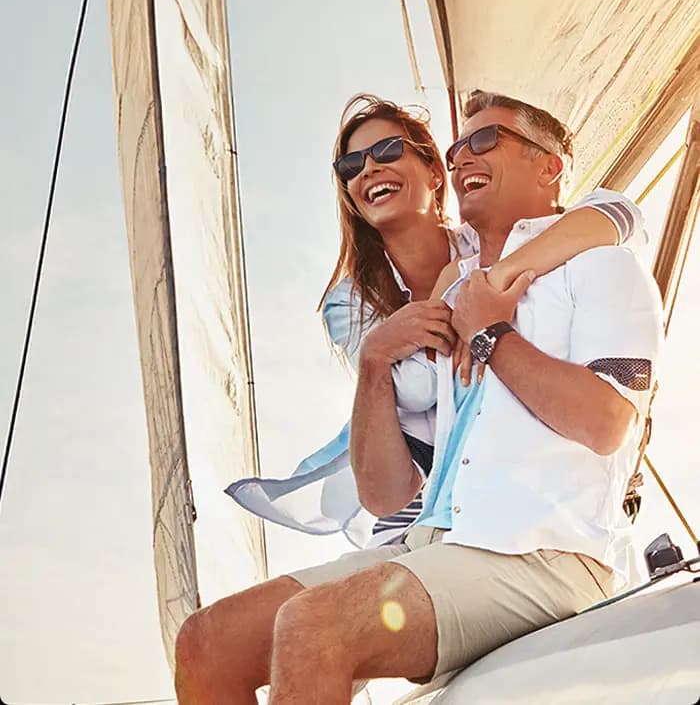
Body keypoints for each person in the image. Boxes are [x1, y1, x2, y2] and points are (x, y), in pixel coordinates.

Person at [176, 92, 662, 705]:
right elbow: (388, 496)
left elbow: (609, 423)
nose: (464, 158)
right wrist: (381, 357)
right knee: (206, 644)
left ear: (549, 166)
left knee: (313, 625)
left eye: (484, 140)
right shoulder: (450, 292)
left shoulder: (599, 267)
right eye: (457, 149)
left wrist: (490, 330)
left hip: (546, 552)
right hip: (434, 540)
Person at [227, 94, 646, 549]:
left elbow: (618, 213)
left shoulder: (483, 244)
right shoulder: (350, 302)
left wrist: (488, 290)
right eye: (350, 166)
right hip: (411, 516)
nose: (369, 169)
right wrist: (376, 354)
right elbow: (416, 394)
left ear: (433, 172)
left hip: (510, 515)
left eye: (387, 151)